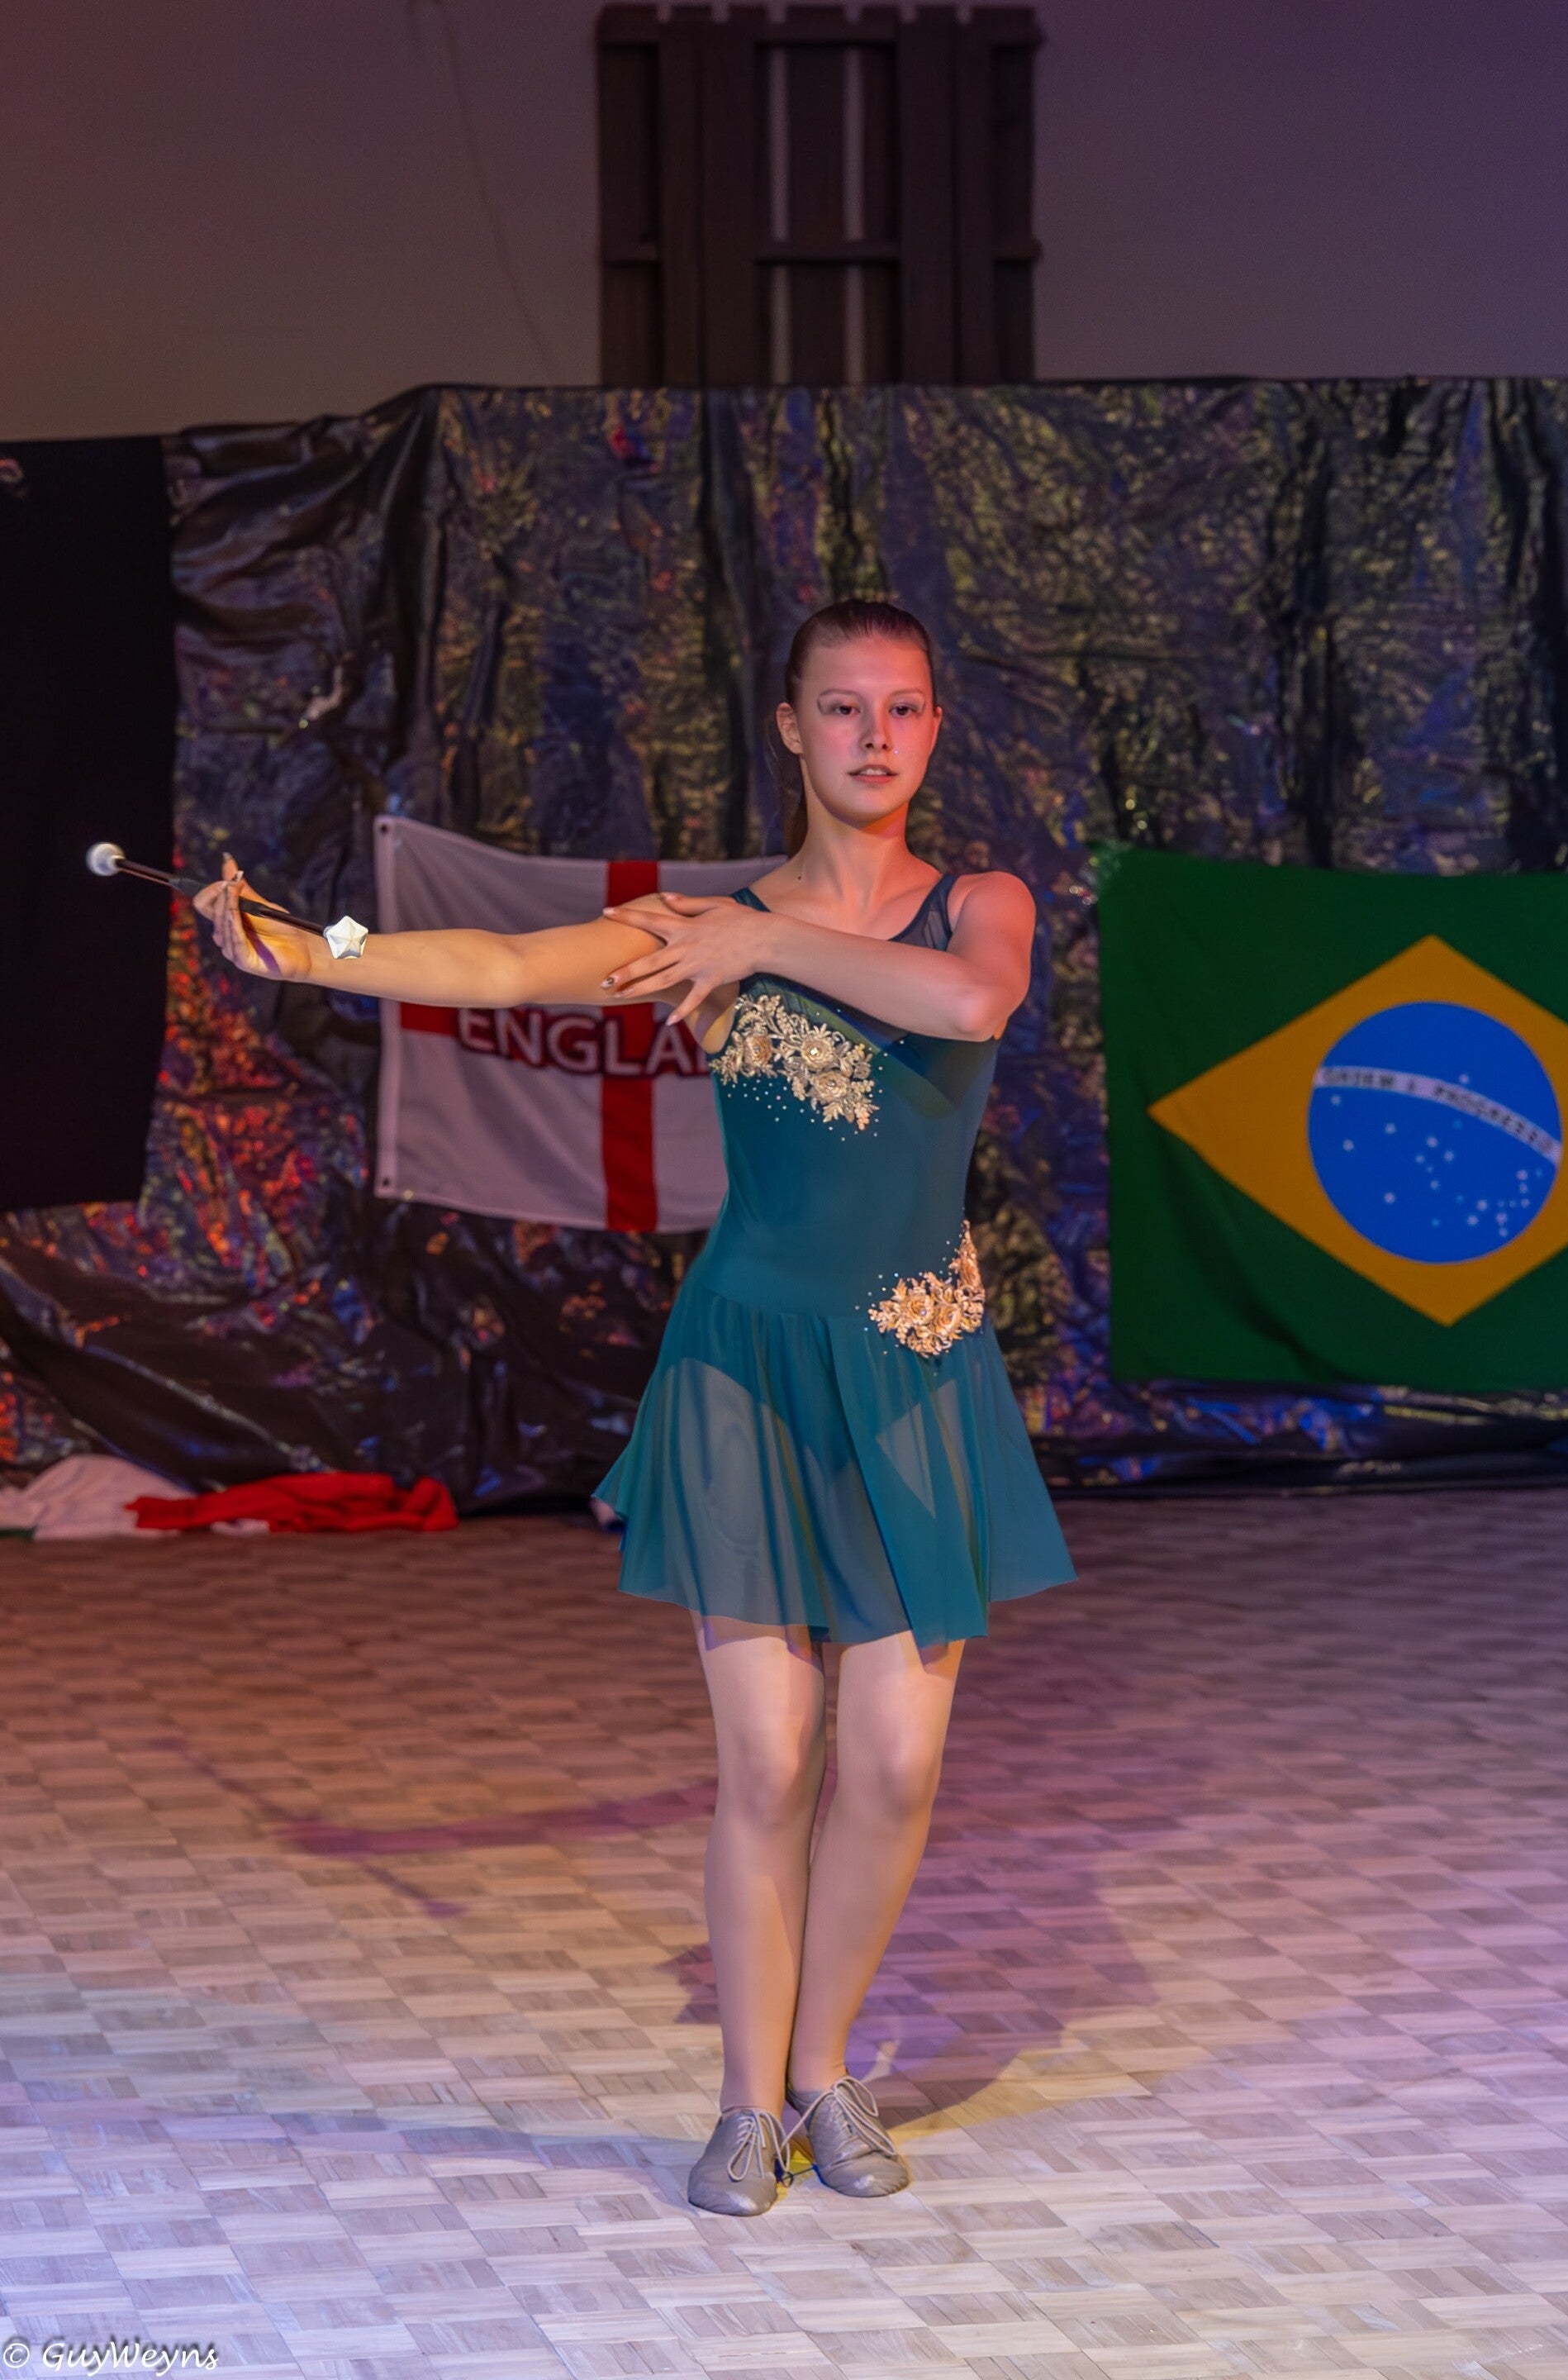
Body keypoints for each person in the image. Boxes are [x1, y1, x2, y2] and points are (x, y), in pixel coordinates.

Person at [197, 597, 1075, 2218]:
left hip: (916, 1369)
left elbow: (969, 1009)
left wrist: (762, 946)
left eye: (903, 709)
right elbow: (500, 964)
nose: (874, 737)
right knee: (773, 1759)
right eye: (843, 708)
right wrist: (312, 949)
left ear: (935, 730)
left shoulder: (979, 906)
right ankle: (747, 2102)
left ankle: (825, 2073)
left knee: (893, 1766)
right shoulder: (699, 925)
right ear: (791, 729)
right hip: (750, 1368)